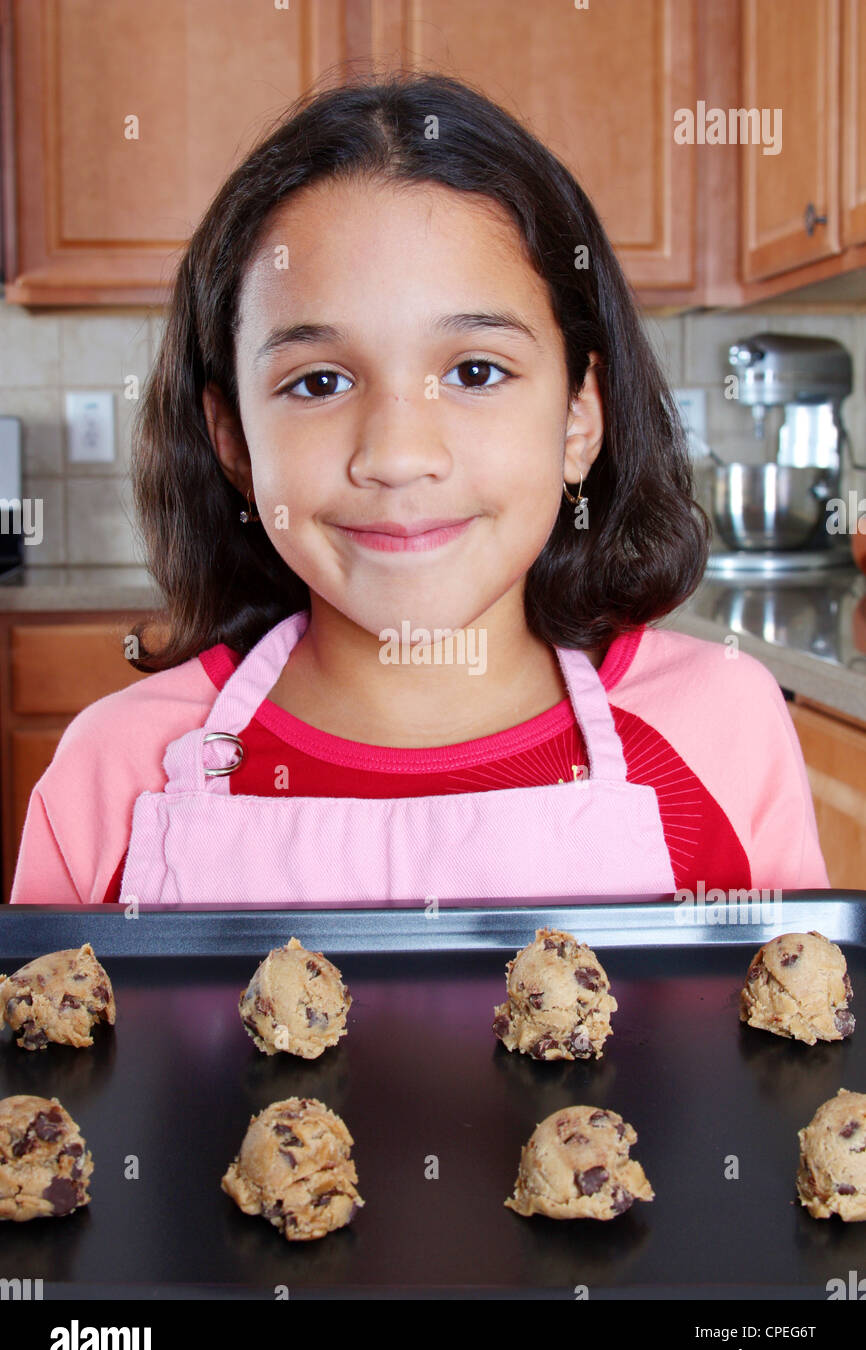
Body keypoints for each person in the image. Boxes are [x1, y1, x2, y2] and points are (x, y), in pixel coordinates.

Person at [10, 71, 828, 908]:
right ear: (235, 444)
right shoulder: (114, 774)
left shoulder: (721, 730)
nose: (399, 455)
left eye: (476, 371)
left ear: (581, 416)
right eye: (319, 383)